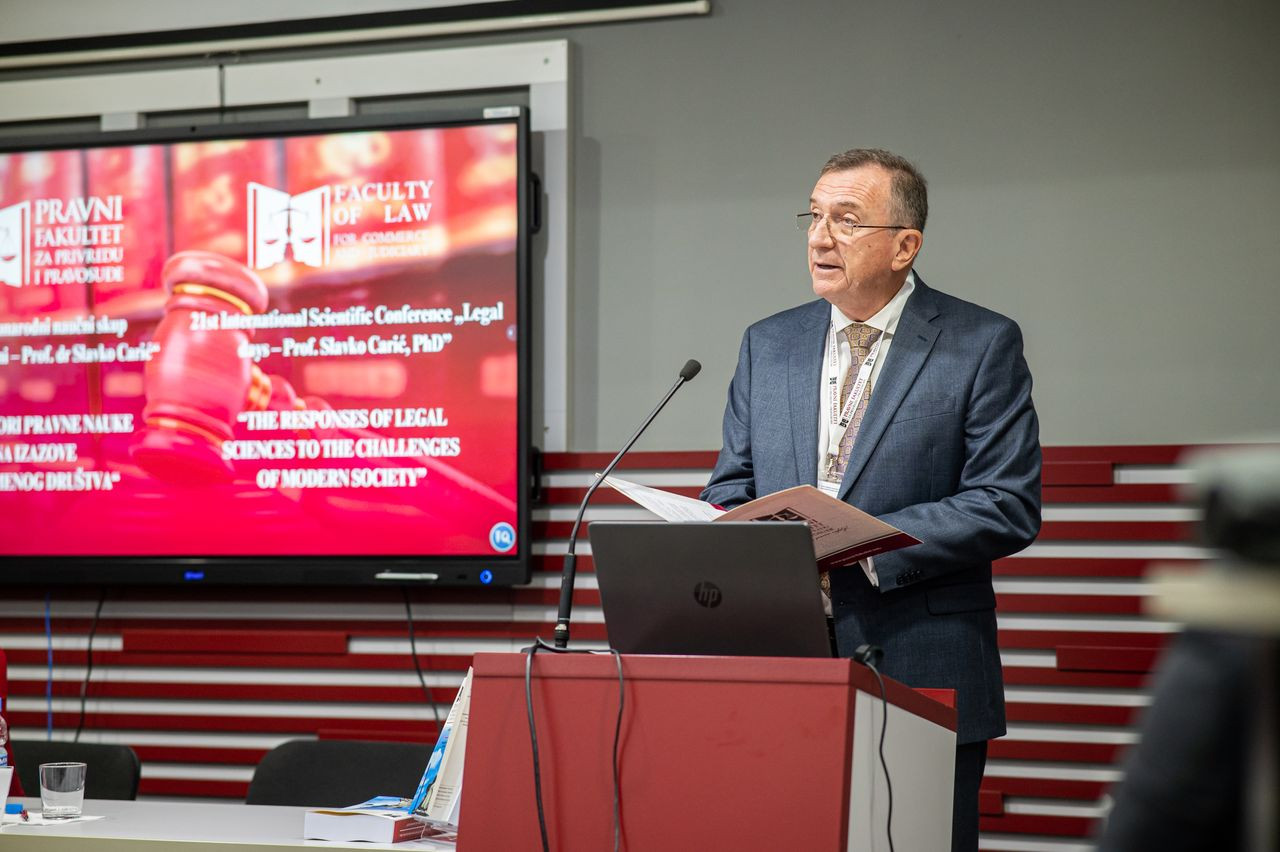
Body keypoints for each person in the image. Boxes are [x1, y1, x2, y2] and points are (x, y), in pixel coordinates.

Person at [701, 148, 1041, 851]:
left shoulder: (980, 343)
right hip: (782, 662)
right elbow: (731, 486)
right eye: (814, 216)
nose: (820, 237)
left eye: (847, 220)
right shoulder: (769, 344)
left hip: (922, 659)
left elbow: (1004, 502)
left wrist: (863, 541)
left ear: (904, 245)